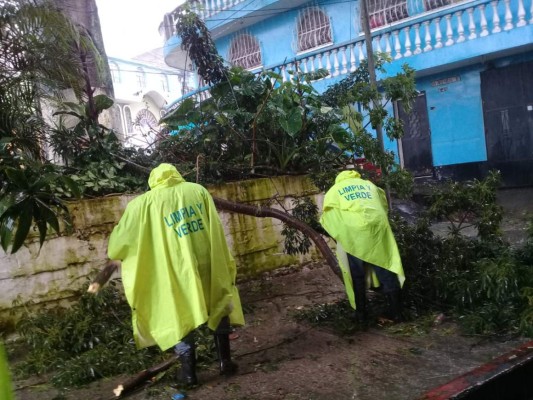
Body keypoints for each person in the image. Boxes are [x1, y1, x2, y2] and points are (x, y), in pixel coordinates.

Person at [107, 163, 245, 387]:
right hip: (206, 261)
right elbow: (214, 227)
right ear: (177, 175)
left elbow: (117, 246)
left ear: (153, 181)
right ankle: (225, 362)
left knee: (179, 313)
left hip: (174, 269)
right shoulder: (197, 191)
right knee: (218, 302)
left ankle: (189, 375)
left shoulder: (141, 205)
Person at [319, 170, 405, 322]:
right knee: (385, 267)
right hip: (377, 228)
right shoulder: (369, 185)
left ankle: (361, 315)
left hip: (354, 233)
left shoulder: (334, 190)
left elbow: (328, 214)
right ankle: (396, 312)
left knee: (357, 274)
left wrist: (339, 234)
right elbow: (383, 203)